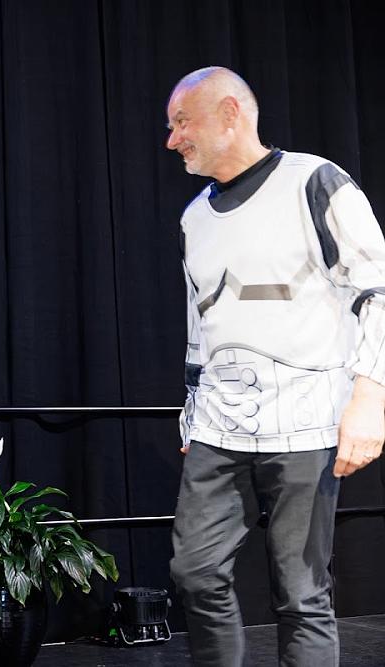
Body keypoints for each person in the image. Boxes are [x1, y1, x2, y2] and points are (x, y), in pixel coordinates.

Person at [165, 66, 385, 666]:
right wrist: (192, 413)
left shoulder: (315, 182)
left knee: (301, 593)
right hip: (219, 426)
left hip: (305, 424)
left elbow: (376, 290)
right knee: (194, 571)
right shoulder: (193, 218)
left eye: (182, 122)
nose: (172, 139)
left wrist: (371, 399)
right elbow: (199, 327)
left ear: (229, 114)